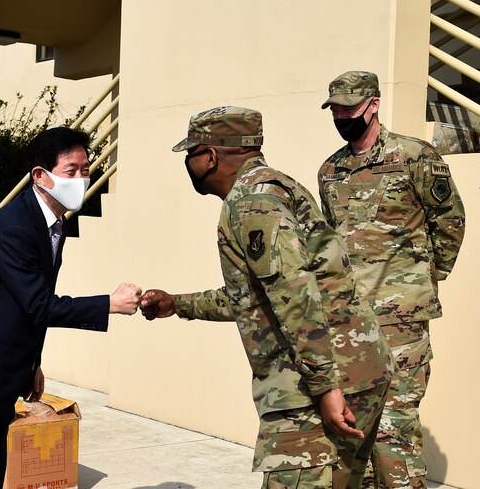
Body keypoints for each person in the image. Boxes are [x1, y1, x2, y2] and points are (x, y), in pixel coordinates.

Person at [140, 106, 393, 488]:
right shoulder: (278, 185)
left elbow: (295, 296)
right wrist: (179, 304)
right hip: (357, 367)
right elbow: (259, 297)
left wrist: (325, 388)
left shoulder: (252, 202)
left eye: (190, 154)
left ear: (209, 157)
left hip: (312, 389)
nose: (188, 164)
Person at [0, 126, 141, 488]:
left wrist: (32, 364)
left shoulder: (52, 223)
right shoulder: (14, 227)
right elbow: (39, 304)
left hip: (2, 369)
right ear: (41, 176)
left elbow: (26, 307)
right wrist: (108, 304)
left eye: (86, 169)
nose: (82, 178)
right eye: (71, 170)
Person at [318, 71, 466, 488]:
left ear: (374, 104)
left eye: (351, 107)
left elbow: (449, 220)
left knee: (394, 430)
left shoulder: (414, 155)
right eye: (337, 109)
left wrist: (420, 278)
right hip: (350, 323)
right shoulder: (331, 170)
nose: (343, 115)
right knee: (355, 429)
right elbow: (332, 241)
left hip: (401, 321)